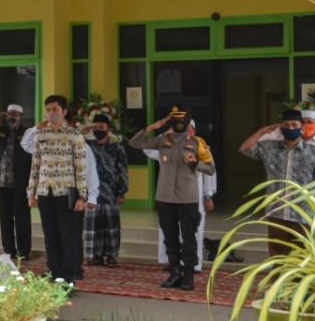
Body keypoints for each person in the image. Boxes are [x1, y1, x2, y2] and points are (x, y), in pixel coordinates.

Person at [131, 106, 216, 291]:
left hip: (187, 198)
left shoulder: (197, 142)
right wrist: (152, 127)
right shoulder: (163, 140)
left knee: (189, 238)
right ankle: (175, 272)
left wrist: (195, 163)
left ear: (188, 123)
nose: (179, 124)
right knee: (169, 237)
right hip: (165, 197)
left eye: (182, 121)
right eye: (175, 120)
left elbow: (211, 169)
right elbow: (135, 143)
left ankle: (188, 276)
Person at [240, 109, 315, 257]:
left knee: (302, 259)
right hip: (277, 213)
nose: (290, 128)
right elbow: (245, 148)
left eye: (294, 124)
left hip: (303, 215)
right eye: (286, 125)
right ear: (281, 127)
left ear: (301, 127)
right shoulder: (270, 148)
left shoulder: (314, 153)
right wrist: (261, 132)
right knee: (277, 257)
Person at [26, 95, 89, 287]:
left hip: (66, 193)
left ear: (64, 112)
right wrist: (31, 193)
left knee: (68, 238)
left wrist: (82, 196)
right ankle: (55, 275)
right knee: (50, 237)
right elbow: (35, 166)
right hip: (45, 193)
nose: (51, 113)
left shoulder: (74, 135)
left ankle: (68, 280)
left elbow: (81, 168)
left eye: (55, 109)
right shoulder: (40, 136)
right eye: (48, 109)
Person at [150, 119, 214, 271]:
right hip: (169, 196)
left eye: (191, 129)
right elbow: (146, 150)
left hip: (192, 195)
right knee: (169, 231)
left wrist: (208, 195)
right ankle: (172, 263)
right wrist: (164, 134)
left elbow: (210, 173)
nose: (188, 132)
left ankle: (192, 265)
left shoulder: (200, 145)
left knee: (191, 233)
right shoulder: (165, 145)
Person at [0, 104, 34, 258]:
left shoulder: (27, 132)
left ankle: (24, 252)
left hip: (21, 183)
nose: (13, 116)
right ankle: (8, 251)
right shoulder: (0, 131)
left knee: (22, 220)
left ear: (22, 116)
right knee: (5, 220)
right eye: (10, 113)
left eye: (16, 114)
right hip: (2, 183)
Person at [259, 109, 315, 193]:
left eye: (309, 122)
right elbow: (260, 141)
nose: (306, 125)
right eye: (303, 122)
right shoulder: (287, 139)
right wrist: (276, 130)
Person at [83, 114, 128, 267]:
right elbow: (71, 137)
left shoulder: (117, 148)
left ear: (108, 129)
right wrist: (84, 130)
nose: (98, 130)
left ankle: (111, 256)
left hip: (111, 192)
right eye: (95, 127)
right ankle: (95, 255)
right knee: (93, 225)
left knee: (111, 226)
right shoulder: (87, 145)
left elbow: (122, 170)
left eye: (101, 127)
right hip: (92, 193)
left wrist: (122, 191)